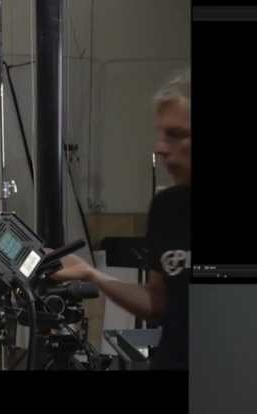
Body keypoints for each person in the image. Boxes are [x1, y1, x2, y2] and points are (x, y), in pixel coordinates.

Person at [53, 69, 191, 370]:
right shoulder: (167, 208)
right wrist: (92, 274)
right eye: (161, 134)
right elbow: (158, 302)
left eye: (176, 134)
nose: (160, 147)